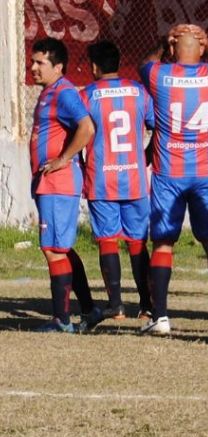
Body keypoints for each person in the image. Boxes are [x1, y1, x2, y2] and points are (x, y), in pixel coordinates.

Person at [139, 24, 208, 334]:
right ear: (200, 50)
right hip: (205, 173)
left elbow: (144, 64)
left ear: (172, 50)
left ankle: (160, 318)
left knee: (163, 243)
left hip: (169, 173)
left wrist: (162, 43)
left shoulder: (159, 76)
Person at [28, 38, 104, 332]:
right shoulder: (50, 92)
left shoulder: (64, 92)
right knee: (63, 247)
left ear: (58, 67)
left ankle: (62, 321)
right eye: (32, 61)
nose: (33, 67)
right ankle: (90, 309)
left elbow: (87, 127)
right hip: (49, 182)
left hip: (58, 182)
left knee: (53, 250)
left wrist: (62, 159)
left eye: (40, 63)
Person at [81, 40, 154, 321]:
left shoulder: (87, 95)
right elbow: (157, 128)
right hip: (134, 177)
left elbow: (78, 130)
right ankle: (147, 305)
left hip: (102, 179)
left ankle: (116, 305)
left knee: (107, 240)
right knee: (137, 242)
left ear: (95, 66)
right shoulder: (139, 92)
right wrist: (145, 155)